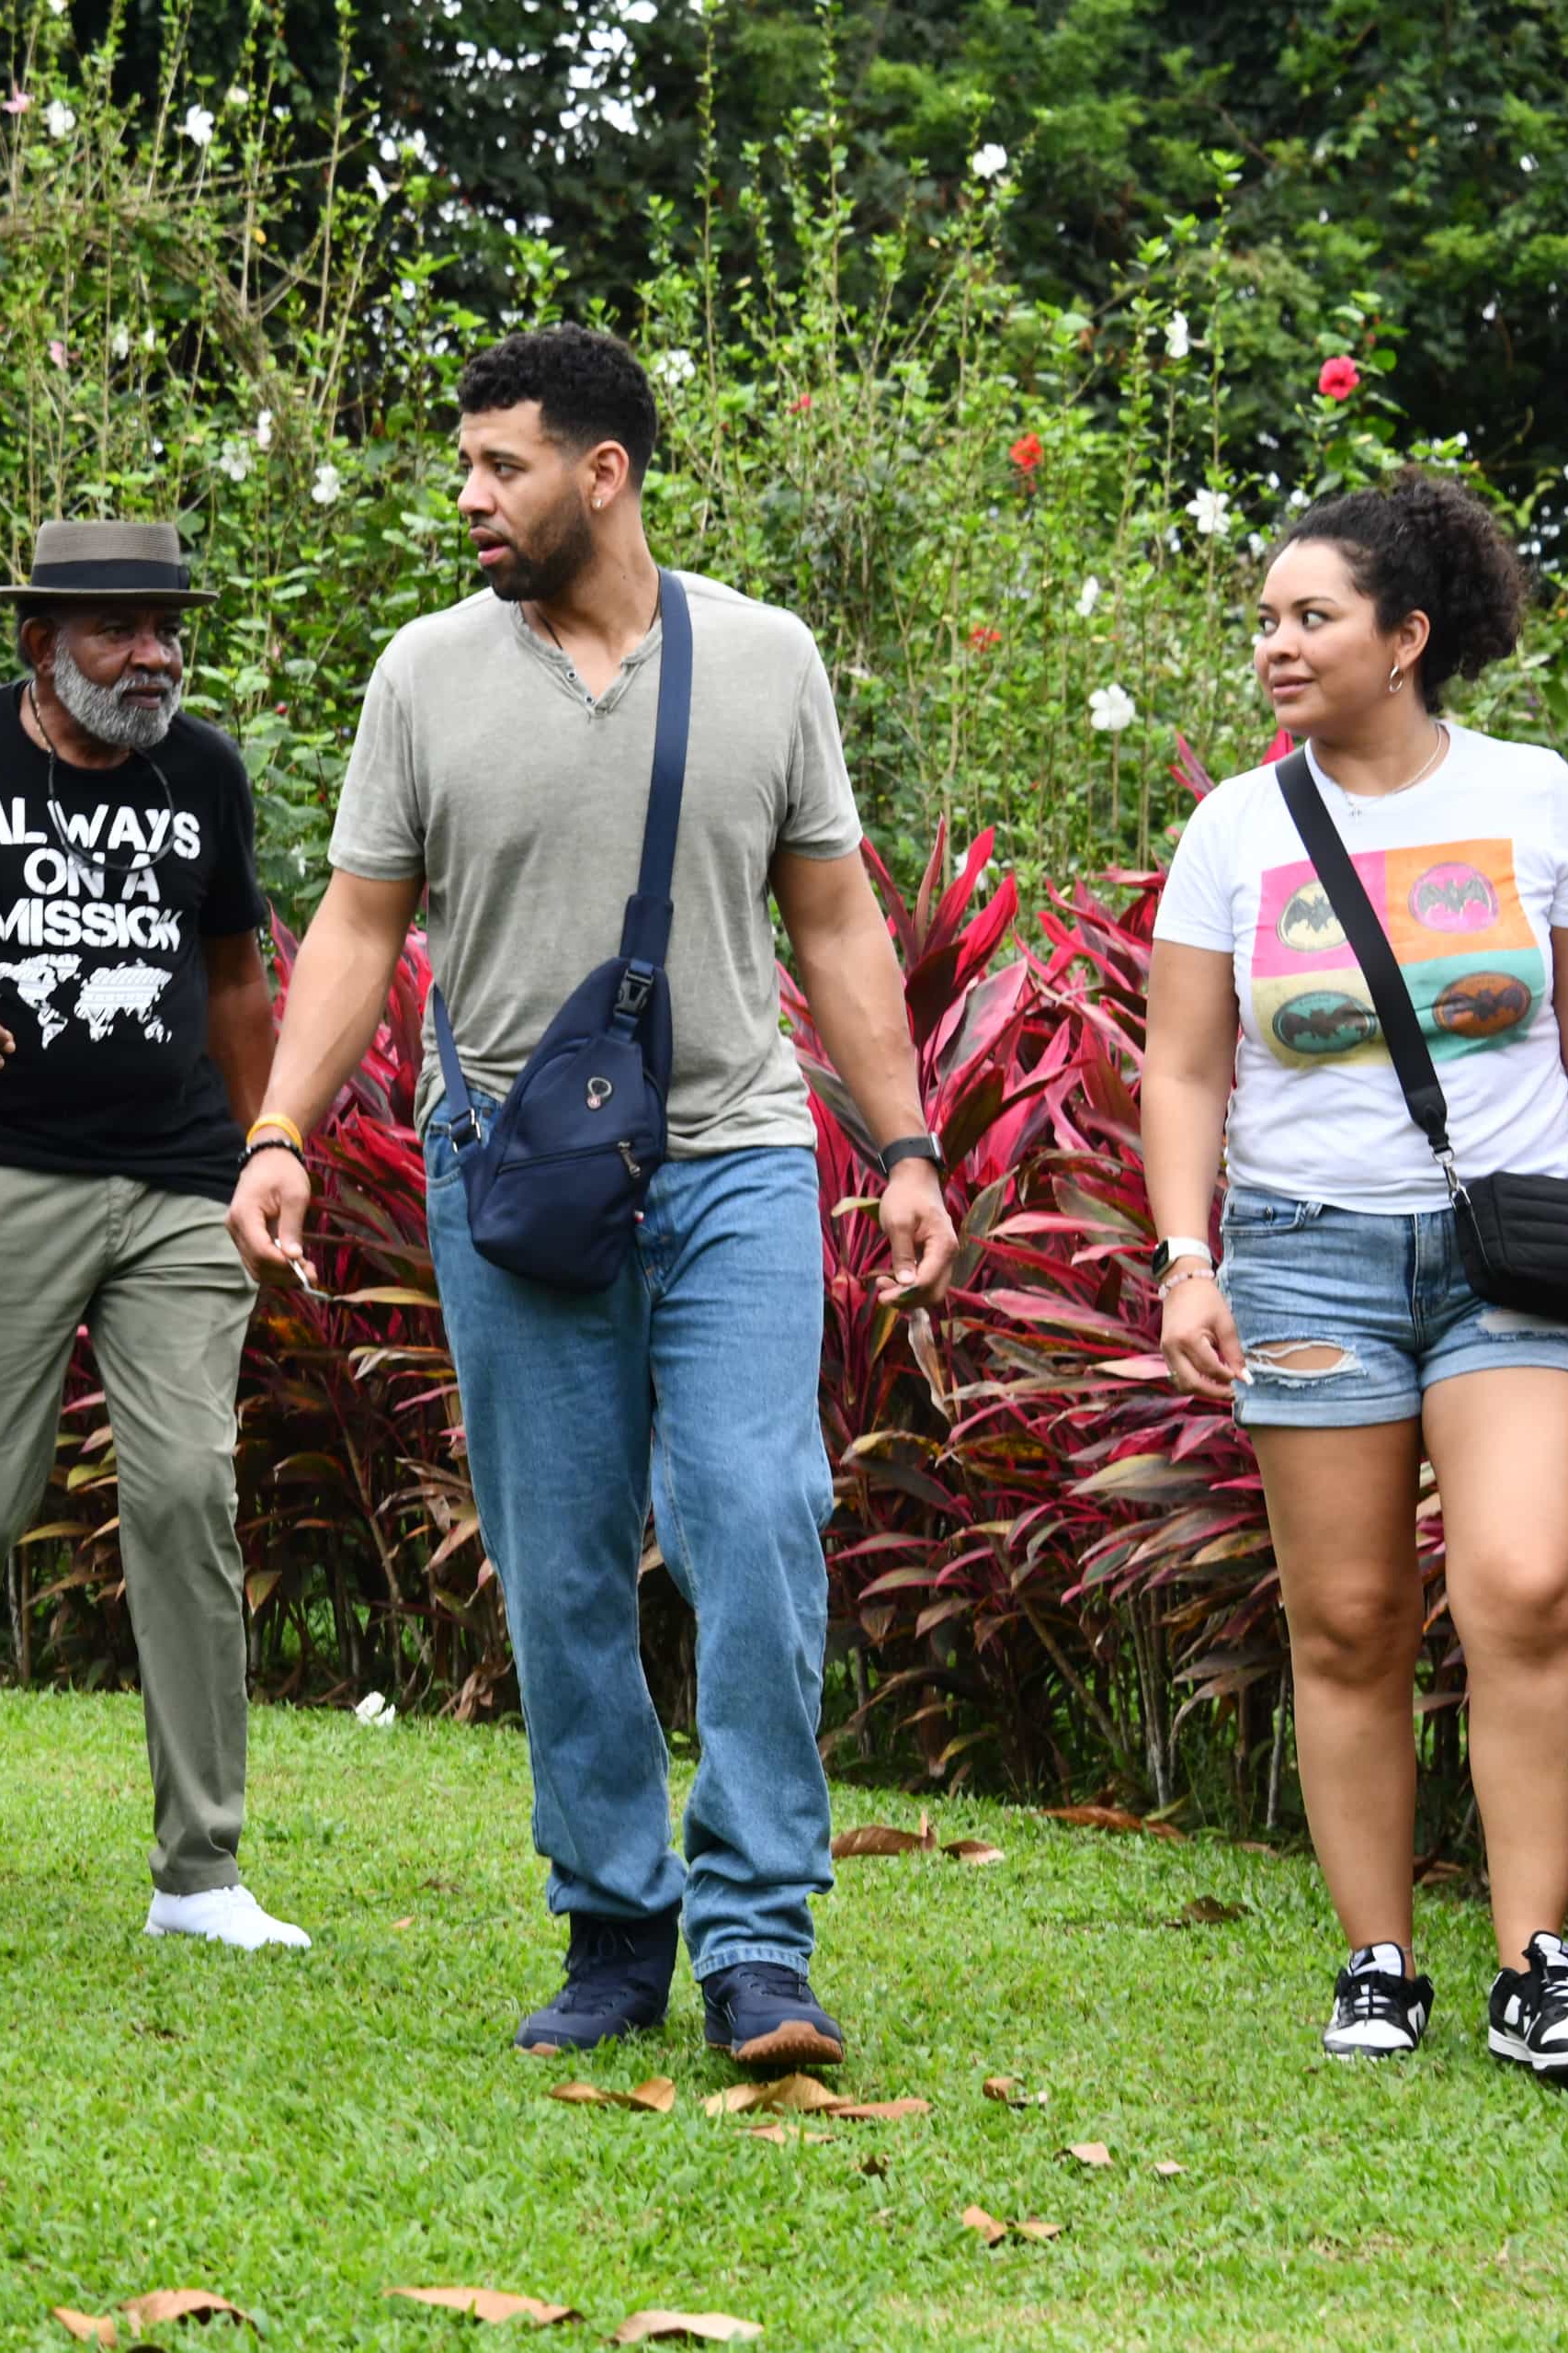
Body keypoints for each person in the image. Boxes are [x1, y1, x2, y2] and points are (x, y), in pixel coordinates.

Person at [228, 329, 955, 2069]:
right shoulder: (422, 674)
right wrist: (278, 1129)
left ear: (605, 473)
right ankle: (619, 1921)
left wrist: (907, 1145)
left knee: (758, 1518)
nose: (471, 497)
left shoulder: (767, 661)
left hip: (734, 1155)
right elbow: (357, 923)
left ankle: (762, 1941)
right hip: (516, 1166)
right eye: (467, 467)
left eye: (503, 466)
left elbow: (836, 920)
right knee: (560, 1562)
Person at [1138, 469, 1568, 2081]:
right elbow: (1185, 1068)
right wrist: (1186, 1261)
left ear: (1404, 637)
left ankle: (1536, 1961)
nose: (1274, 643)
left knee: (1528, 1586)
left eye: (1309, 616)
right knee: (1346, 1618)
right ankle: (1378, 1959)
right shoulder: (1235, 830)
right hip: (1305, 1252)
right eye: (1265, 617)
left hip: (1510, 1252)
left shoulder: (1532, 795)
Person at [0, 519, 301, 1950]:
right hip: (0, 1166)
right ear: (41, 644)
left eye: (167, 632)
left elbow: (233, 979)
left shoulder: (202, 771)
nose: (153, 657)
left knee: (182, 1500)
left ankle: (199, 1874)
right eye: (116, 631)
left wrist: (267, 1149)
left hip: (176, 1183)